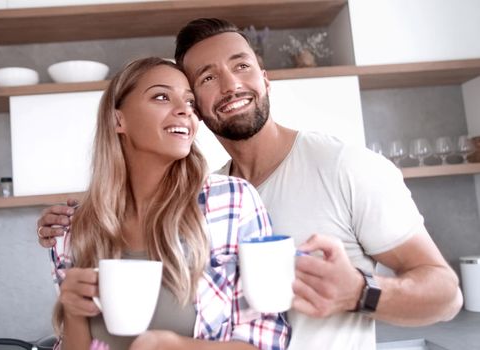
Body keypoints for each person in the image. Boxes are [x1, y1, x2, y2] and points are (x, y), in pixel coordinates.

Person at [38, 19, 463, 349]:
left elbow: (446, 296)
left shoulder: (343, 166)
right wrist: (78, 223)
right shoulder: (211, 196)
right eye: (205, 79)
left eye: (241, 66)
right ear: (199, 110)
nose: (230, 84)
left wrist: (360, 293)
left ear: (265, 78)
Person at [48, 57, 289, 350]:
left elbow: (267, 340)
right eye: (162, 97)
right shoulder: (71, 229)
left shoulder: (230, 203)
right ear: (118, 120)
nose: (184, 111)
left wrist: (176, 346)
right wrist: (73, 313)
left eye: (189, 102)